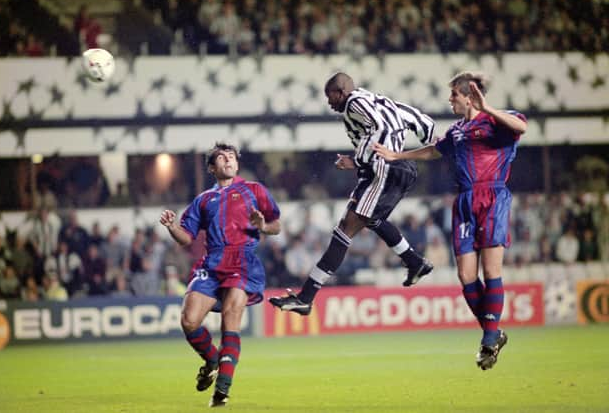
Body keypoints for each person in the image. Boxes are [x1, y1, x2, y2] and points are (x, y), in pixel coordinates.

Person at [372, 71, 527, 370]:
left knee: (491, 269)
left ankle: (487, 343)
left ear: (469, 95)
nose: (450, 99)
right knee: (466, 276)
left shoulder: (497, 119)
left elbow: (521, 126)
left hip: (493, 196)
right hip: (465, 200)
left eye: (454, 94)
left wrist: (487, 108)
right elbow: (433, 150)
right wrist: (395, 156)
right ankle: (494, 334)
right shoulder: (456, 130)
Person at [269, 72, 435, 315]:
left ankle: (306, 298)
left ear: (342, 91)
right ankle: (414, 261)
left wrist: (357, 161)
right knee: (370, 220)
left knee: (345, 229)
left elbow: (381, 127)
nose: (329, 102)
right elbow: (423, 122)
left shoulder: (354, 102)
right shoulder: (381, 100)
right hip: (393, 167)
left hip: (385, 168)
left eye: (330, 96)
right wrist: (429, 144)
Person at [159, 142, 281, 408]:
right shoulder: (203, 199)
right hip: (212, 261)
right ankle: (212, 359)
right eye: (221, 157)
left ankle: (221, 393)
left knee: (230, 319)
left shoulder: (254, 190)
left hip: (242, 259)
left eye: (232, 157)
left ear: (237, 164)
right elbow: (185, 238)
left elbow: (276, 226)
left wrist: (263, 225)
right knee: (189, 321)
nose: (228, 160)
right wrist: (171, 227)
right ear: (212, 168)